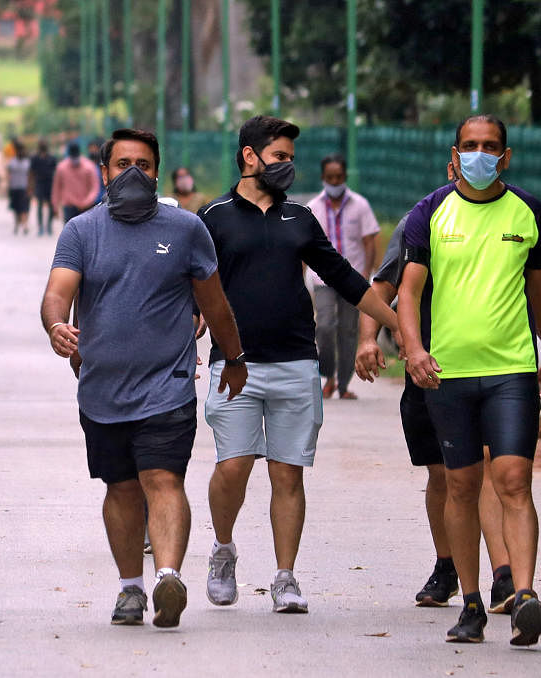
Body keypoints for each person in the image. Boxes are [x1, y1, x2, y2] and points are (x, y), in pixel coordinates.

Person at [41, 128, 247, 629]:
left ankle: (167, 577)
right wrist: (56, 326)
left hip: (168, 384)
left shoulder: (186, 229)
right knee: (122, 489)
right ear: (104, 171)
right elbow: (57, 292)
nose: (133, 172)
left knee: (162, 478)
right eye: (122, 164)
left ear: (157, 172)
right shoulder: (81, 231)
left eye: (144, 164)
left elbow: (214, 302)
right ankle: (130, 588)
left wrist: (235, 357)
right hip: (102, 391)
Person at [197, 115, 398, 615]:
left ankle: (285, 578)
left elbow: (347, 279)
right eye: (280, 156)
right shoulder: (212, 217)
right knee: (234, 466)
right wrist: (191, 317)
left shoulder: (300, 219)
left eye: (290, 158)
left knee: (288, 474)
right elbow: (191, 282)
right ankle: (223, 550)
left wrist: (401, 329)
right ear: (250, 156)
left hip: (295, 363)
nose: (288, 166)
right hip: (234, 365)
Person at [397, 114, 541, 645]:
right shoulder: (430, 212)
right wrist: (413, 350)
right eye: (471, 146)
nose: (481, 154)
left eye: (491, 146)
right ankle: (472, 602)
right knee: (461, 485)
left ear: (506, 155)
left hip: (511, 372)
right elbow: (408, 293)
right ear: (455, 153)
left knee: (514, 481)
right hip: (449, 374)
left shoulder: (528, 211)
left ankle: (524, 596)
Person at [355, 208, 516, 615]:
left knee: (481, 465)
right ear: (452, 168)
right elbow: (384, 287)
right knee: (442, 472)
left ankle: (503, 576)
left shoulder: (512, 219)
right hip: (429, 366)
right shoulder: (421, 222)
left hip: (491, 365)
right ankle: (447, 566)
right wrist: (369, 339)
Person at [307, 154, 380, 399]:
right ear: (323, 178)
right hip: (323, 280)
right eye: (330, 177)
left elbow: (370, 242)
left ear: (345, 177)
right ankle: (328, 375)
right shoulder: (314, 207)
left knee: (349, 331)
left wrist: (366, 274)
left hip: (353, 279)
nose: (335, 181)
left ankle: (344, 384)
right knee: (325, 326)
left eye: (339, 177)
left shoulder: (360, 205)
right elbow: (305, 247)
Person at [51, 142, 100, 225]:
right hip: (69, 206)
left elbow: (94, 187)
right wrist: (55, 206)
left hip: (86, 207)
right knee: (70, 234)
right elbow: (56, 188)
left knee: (85, 234)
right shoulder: (62, 168)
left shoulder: (89, 167)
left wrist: (87, 201)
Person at [29, 141, 58, 235]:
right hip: (40, 183)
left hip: (49, 183)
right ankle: (41, 227)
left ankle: (49, 226)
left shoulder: (52, 158)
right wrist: (31, 186)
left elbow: (55, 172)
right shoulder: (35, 158)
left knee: (49, 205)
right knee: (40, 206)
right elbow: (32, 172)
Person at [7, 140, 32, 235]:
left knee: (24, 208)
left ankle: (25, 224)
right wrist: (8, 186)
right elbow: (9, 174)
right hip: (15, 188)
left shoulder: (27, 162)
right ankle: (17, 224)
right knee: (16, 208)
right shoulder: (12, 162)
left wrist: (30, 188)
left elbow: (30, 176)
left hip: (24, 188)